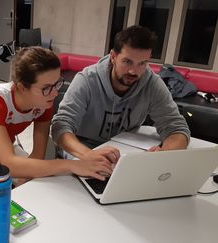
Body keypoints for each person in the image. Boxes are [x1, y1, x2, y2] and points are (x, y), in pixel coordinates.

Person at [0, 47, 113, 203]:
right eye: (46, 87)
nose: (55, 93)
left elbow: (38, 154)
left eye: (57, 84)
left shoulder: (44, 103)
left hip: (4, 151)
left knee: (43, 185)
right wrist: (73, 165)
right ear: (22, 87)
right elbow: (9, 164)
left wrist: (27, 177)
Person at [51, 25, 190, 165]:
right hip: (83, 148)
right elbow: (61, 125)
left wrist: (164, 154)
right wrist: (88, 154)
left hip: (124, 150)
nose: (133, 71)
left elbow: (176, 127)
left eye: (142, 63)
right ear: (113, 57)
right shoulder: (87, 80)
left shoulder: (152, 84)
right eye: (127, 62)